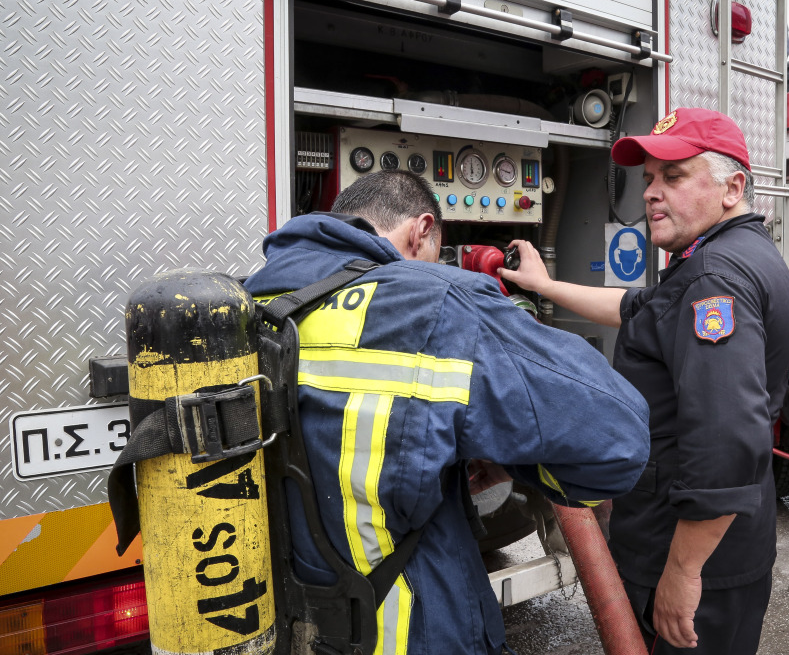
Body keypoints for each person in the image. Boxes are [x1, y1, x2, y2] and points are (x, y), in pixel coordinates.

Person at [242, 170, 650, 655]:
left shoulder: (251, 303)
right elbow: (619, 437)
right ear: (421, 229)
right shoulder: (433, 302)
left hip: (281, 628)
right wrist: (508, 461)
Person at [500, 108, 789, 655]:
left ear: (733, 188)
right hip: (721, 549)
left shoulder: (715, 278)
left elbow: (727, 445)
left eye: (675, 176)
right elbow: (638, 308)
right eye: (648, 180)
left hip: (691, 555)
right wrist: (544, 285)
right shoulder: (726, 256)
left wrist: (682, 574)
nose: (652, 193)